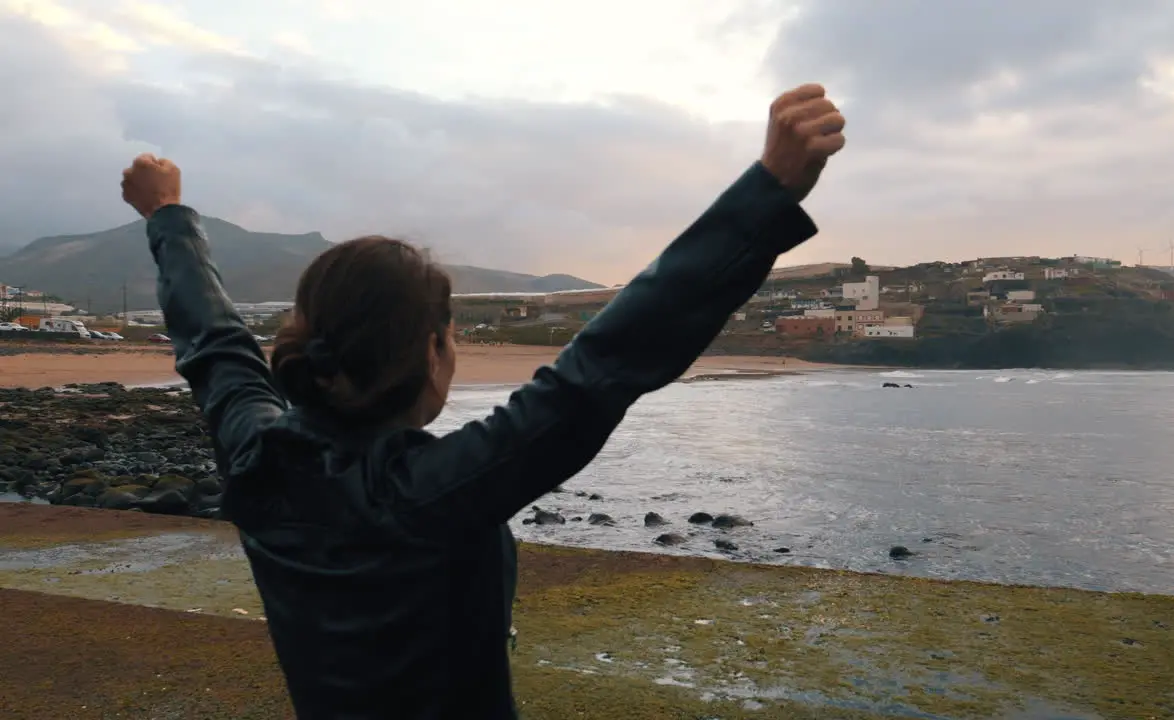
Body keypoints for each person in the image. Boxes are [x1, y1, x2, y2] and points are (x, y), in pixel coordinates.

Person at [121, 83, 845, 719]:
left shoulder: (259, 453)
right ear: (432, 354)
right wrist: (769, 191)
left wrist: (170, 217)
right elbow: (604, 363)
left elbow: (213, 341)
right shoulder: (430, 495)